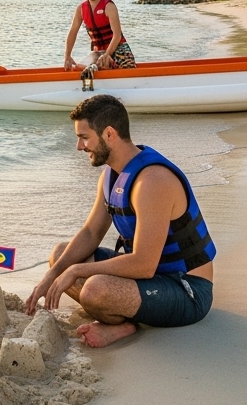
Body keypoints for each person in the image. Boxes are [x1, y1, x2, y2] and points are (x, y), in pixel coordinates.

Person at [24, 94, 216, 348]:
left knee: (94, 289)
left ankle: (124, 324)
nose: (79, 147)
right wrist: (51, 275)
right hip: (149, 279)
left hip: (186, 289)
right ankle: (123, 317)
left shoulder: (152, 182)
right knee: (60, 255)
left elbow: (144, 265)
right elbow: (91, 233)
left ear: (109, 134)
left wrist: (76, 270)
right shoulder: (111, 175)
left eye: (84, 137)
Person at [64, 0, 136, 71]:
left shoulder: (109, 6)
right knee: (78, 67)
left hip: (119, 49)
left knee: (125, 67)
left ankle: (101, 67)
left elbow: (117, 35)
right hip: (98, 53)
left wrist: (107, 54)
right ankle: (96, 68)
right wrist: (67, 56)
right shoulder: (80, 9)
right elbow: (72, 33)